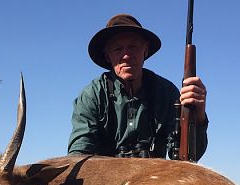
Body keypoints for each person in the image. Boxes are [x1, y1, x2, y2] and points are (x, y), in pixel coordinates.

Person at [68, 14, 208, 160]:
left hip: (155, 179)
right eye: (118, 49)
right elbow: (79, 154)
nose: (126, 55)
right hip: (107, 179)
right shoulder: (92, 95)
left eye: (133, 47)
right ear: (107, 56)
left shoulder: (167, 92)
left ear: (145, 50)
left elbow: (189, 158)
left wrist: (198, 115)